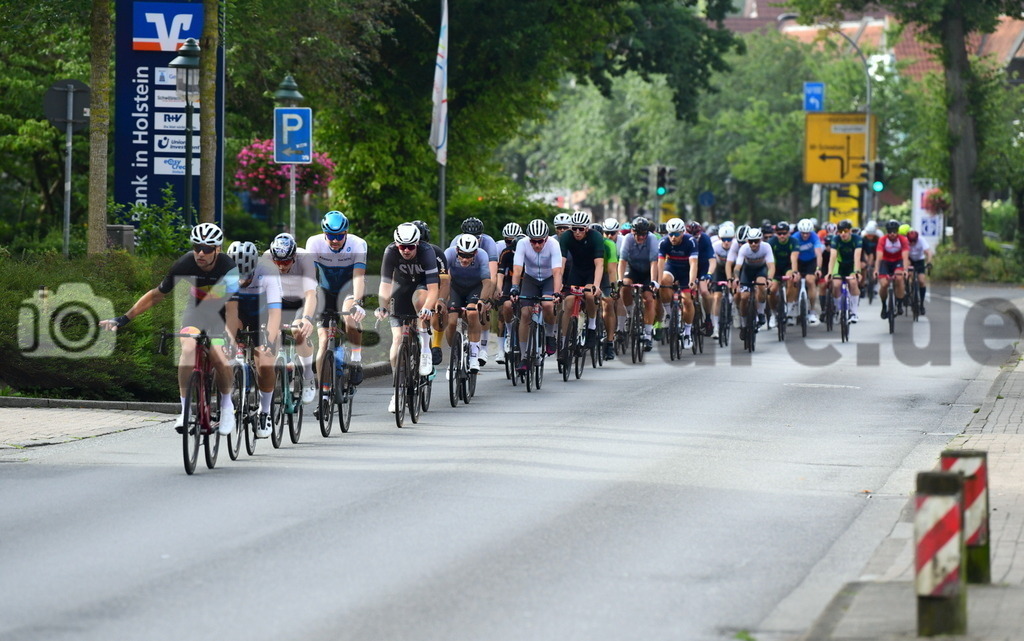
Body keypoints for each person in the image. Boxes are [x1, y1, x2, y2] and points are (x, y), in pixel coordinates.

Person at [100, 223, 239, 435]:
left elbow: (231, 311)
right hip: (197, 311)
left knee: (220, 356)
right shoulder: (185, 263)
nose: (200, 253)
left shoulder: (229, 268)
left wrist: (229, 337)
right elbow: (157, 295)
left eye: (208, 249)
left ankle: (227, 407)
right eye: (196, 246)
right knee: (188, 348)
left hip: (220, 315)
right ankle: (184, 410)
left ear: (218, 250)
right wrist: (124, 318)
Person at [376, 223, 439, 413]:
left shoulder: (427, 252)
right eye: (401, 246)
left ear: (417, 243)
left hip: (422, 286)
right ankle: (397, 391)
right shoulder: (390, 251)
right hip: (401, 288)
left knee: (419, 301)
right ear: (396, 243)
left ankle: (425, 349)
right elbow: (385, 284)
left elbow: (434, 289)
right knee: (397, 341)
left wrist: (428, 308)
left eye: (410, 246)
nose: (405, 250)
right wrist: (382, 306)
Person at [306, 212, 368, 393]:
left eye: (339, 236)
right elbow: (310, 278)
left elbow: (358, 277)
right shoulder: (314, 243)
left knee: (350, 318)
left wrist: (357, 302)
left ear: (346, 233)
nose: (335, 241)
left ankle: (356, 360)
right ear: (324, 233)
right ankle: (324, 392)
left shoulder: (358, 244)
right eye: (331, 236)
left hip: (349, 290)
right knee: (324, 341)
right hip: (325, 291)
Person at [227, 241, 281, 438]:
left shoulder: (268, 271)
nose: (242, 281)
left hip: (264, 316)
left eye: (246, 276)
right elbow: (223, 310)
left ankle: (265, 411)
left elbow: (275, 313)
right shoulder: (225, 272)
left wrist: (270, 341)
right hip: (238, 314)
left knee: (265, 363)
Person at [265, 233, 319, 403]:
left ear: (294, 257)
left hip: (302, 301)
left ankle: (308, 376)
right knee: (271, 336)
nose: (281, 266)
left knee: (298, 332)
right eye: (277, 262)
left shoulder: (305, 258)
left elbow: (311, 294)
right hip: (278, 301)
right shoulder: (266, 259)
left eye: (286, 262)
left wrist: (307, 318)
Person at [509, 219, 563, 371]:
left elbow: (557, 272)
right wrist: (514, 287)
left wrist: (557, 292)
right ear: (528, 239)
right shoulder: (522, 244)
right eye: (534, 241)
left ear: (546, 238)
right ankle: (524, 357)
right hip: (530, 279)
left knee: (548, 304)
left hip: (548, 279)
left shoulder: (553, 244)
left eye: (540, 241)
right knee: (525, 313)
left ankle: (550, 335)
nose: (537, 245)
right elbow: (518, 268)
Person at [450, 217, 499, 364]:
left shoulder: (488, 243)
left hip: (479, 280)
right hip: (459, 281)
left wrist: (489, 297)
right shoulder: (456, 242)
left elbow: (492, 273)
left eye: (477, 237)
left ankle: (482, 347)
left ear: (481, 236)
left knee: (481, 309)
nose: (473, 239)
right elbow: (448, 273)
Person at [444, 234, 493, 372]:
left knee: (472, 313)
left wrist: (482, 301)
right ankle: (454, 353)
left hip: (474, 288)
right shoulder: (449, 253)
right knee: (452, 321)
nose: (465, 259)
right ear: (457, 250)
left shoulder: (482, 255)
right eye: (462, 255)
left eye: (469, 256)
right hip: (455, 288)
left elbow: (487, 282)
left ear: (475, 253)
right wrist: (441, 299)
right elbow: (442, 279)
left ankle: (473, 356)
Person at [558, 211, 604, 352]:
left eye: (581, 229)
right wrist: (559, 282)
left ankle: (591, 326)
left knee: (589, 295)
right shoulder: (566, 237)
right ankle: (564, 341)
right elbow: (561, 263)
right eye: (574, 229)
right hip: (576, 271)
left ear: (587, 229)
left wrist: (596, 285)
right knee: (569, 301)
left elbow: (599, 265)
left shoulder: (596, 237)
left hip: (591, 272)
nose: (577, 232)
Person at [411, 220, 450, 367]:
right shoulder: (402, 251)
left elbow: (445, 282)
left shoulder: (437, 253)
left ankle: (435, 345)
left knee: (431, 307)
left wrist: (441, 299)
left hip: (430, 283)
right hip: (411, 283)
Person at [620, 216, 660, 351]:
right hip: (633, 270)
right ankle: (630, 314)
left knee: (649, 299)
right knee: (624, 286)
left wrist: (653, 281)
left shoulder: (652, 239)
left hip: (648, 271)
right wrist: (620, 279)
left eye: (644, 234)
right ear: (632, 232)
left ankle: (648, 334)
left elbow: (654, 262)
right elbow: (623, 261)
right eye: (638, 234)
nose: (641, 237)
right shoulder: (627, 239)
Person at [734, 227, 775, 340]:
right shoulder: (744, 249)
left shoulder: (766, 247)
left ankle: (761, 313)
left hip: (760, 270)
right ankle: (743, 323)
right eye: (750, 241)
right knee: (744, 297)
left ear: (760, 240)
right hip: (747, 271)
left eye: (756, 241)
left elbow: (771, 265)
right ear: (747, 241)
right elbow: (738, 266)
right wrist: (736, 278)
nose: (753, 244)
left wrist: (770, 279)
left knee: (761, 284)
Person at [826, 220, 863, 323]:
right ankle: (839, 310)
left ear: (850, 231)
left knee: (853, 282)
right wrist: (829, 272)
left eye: (845, 231)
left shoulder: (857, 239)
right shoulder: (835, 239)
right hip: (839, 265)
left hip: (851, 265)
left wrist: (857, 271)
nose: (843, 234)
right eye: (840, 231)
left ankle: (854, 312)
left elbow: (857, 257)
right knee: (836, 285)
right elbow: (833, 257)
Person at [767, 221, 799, 328]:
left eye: (784, 233)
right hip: (775, 267)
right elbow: (769, 261)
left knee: (791, 279)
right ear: (776, 233)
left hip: (788, 266)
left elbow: (794, 258)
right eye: (779, 233)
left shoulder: (793, 241)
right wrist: (770, 277)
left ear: (788, 233)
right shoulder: (771, 242)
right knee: (771, 290)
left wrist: (794, 272)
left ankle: (789, 309)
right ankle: (773, 313)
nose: (782, 236)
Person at [876, 219, 910, 319]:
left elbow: (905, 256)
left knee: (899, 279)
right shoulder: (882, 239)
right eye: (890, 232)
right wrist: (876, 270)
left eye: (894, 231)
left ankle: (899, 303)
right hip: (885, 262)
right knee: (884, 284)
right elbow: (879, 257)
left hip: (898, 261)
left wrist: (905, 270)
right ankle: (884, 305)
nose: (892, 234)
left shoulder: (903, 240)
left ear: (897, 231)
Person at [793, 218, 823, 325]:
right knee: (794, 281)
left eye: (807, 233)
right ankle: (794, 305)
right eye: (803, 233)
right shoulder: (795, 237)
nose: (805, 235)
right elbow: (793, 256)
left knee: (810, 281)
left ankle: (812, 311)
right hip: (798, 261)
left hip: (811, 261)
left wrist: (818, 269)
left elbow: (819, 254)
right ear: (799, 231)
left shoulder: (815, 237)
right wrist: (795, 271)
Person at [906, 229, 933, 315]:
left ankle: (921, 303)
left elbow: (928, 252)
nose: (912, 243)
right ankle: (909, 291)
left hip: (919, 260)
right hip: (909, 259)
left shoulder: (921, 240)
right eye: (911, 241)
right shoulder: (905, 241)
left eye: (914, 241)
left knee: (921, 281)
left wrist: (928, 263)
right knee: (909, 275)